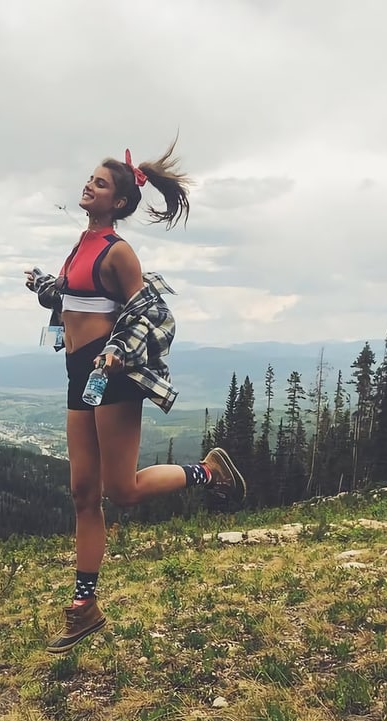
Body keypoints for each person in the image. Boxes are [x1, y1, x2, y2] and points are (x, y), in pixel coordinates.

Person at [26, 141, 246, 654]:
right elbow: (74, 298)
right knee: (83, 493)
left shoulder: (118, 251)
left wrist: (118, 352)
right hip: (79, 374)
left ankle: (207, 472)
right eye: (91, 178)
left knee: (121, 491)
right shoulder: (81, 245)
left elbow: (152, 313)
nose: (89, 185)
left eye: (101, 183)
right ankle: (84, 607)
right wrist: (41, 285)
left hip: (113, 375)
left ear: (120, 202)